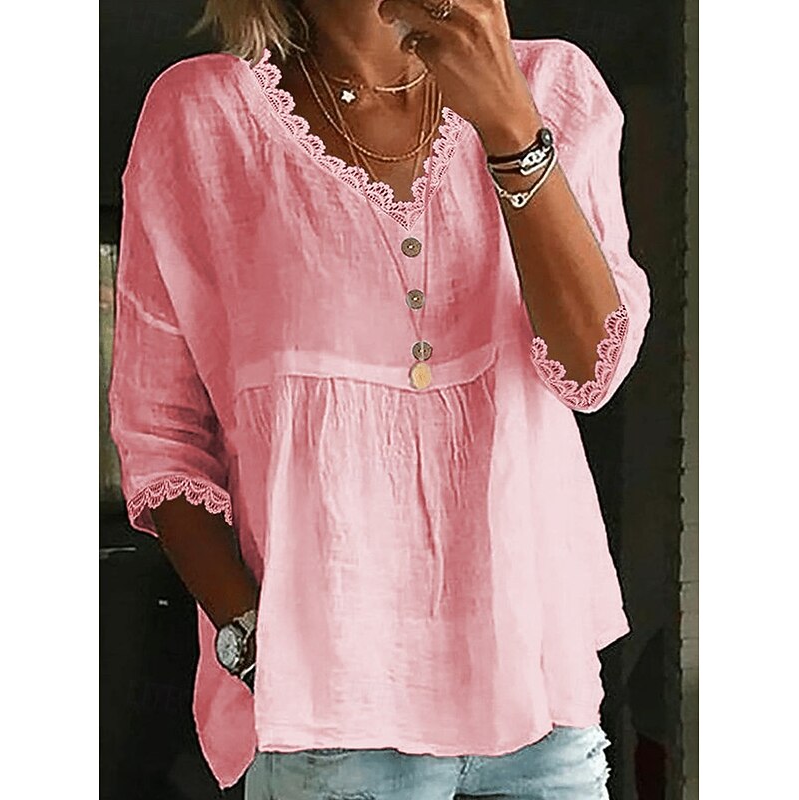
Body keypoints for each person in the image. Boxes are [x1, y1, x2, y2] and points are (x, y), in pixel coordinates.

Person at [107, 0, 651, 797]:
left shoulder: (552, 86)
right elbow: (160, 434)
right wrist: (253, 642)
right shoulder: (203, 115)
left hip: (544, 707)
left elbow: (590, 369)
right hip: (331, 721)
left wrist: (509, 126)